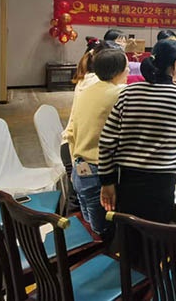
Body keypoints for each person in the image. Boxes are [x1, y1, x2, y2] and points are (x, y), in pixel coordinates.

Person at [98, 40, 176, 225]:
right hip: (162, 183)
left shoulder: (128, 93)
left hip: (127, 180)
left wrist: (107, 182)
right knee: (157, 231)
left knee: (130, 228)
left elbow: (107, 140)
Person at [66, 48, 128, 241]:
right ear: (118, 71)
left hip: (79, 169)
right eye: (126, 68)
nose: (128, 71)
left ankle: (87, 243)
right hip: (98, 175)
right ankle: (98, 253)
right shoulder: (118, 93)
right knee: (102, 232)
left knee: (89, 223)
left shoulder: (86, 89)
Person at [61, 37, 104, 213]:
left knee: (78, 197)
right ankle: (69, 226)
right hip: (76, 149)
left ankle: (67, 223)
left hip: (72, 144)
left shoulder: (87, 78)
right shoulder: (96, 83)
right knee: (80, 200)